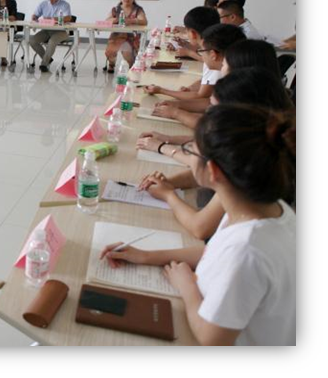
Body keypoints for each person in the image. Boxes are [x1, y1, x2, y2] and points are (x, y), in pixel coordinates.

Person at [104, 105, 295, 346]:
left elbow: (211, 339)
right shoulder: (264, 207)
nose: (188, 157)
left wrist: (187, 286)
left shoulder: (248, 251)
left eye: (190, 151)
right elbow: (216, 251)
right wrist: (148, 256)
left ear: (213, 171)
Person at [136, 67, 294, 238]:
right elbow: (205, 168)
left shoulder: (249, 170)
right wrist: (169, 183)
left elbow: (200, 227)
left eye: (213, 108)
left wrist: (168, 195)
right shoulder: (256, 146)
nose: (207, 112)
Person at [148, 24, 246, 123]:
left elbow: (213, 125)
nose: (201, 55)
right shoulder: (232, 74)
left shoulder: (237, 83)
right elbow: (210, 103)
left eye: (201, 51)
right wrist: (177, 104)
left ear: (213, 55)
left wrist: (175, 113)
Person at [144, 6, 220, 104]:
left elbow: (201, 96)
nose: (186, 33)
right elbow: (207, 80)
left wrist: (161, 91)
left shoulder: (212, 55)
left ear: (193, 33)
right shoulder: (212, 48)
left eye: (186, 30)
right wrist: (190, 88)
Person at [29, 0, 72, 72]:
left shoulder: (65, 4)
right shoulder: (43, 4)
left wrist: (52, 19)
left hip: (61, 31)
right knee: (32, 40)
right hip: (46, 30)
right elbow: (35, 15)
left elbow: (68, 18)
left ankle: (44, 64)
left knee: (52, 42)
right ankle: (48, 58)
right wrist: (34, 17)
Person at [104, 0, 148, 72]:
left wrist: (131, 21)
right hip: (117, 35)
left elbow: (144, 21)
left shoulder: (137, 9)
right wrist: (115, 20)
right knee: (110, 51)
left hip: (131, 36)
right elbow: (107, 21)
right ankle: (111, 65)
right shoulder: (115, 9)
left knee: (127, 54)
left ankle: (131, 67)